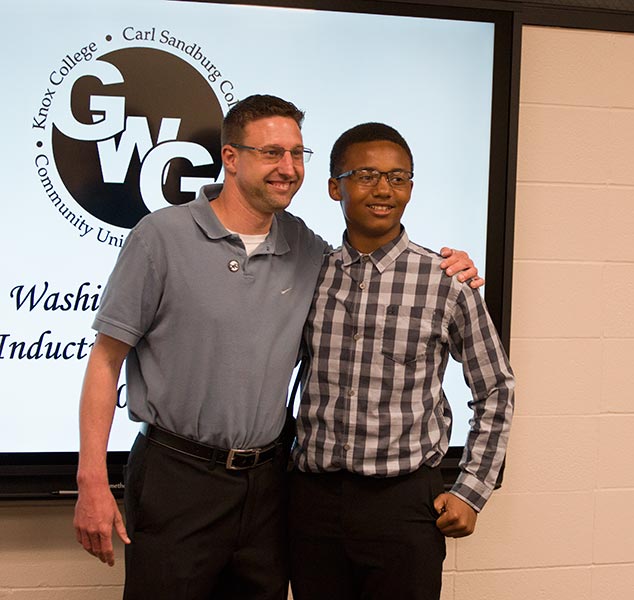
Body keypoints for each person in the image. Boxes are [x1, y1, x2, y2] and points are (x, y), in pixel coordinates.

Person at [72, 96, 479, 600]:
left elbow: (373, 269)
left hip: (268, 485)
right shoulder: (161, 236)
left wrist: (452, 267)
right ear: (231, 158)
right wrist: (91, 478)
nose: (288, 169)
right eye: (271, 153)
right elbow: (106, 360)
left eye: (297, 154)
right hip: (177, 476)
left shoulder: (307, 249)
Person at [287, 123, 515, 600]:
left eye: (398, 177)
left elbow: (496, 389)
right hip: (312, 504)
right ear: (335, 187)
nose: (384, 190)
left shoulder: (446, 282)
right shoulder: (310, 273)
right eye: (366, 175)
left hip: (404, 505)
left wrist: (471, 490)